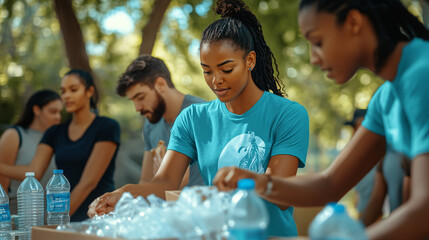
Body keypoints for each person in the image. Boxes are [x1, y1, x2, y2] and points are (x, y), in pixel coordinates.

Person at [88, 0, 309, 237]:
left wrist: (244, 179)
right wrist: (124, 192)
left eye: (226, 69)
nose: (216, 80)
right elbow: (164, 184)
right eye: (207, 71)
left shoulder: (288, 114)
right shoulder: (192, 118)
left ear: (250, 61)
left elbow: (282, 197)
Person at [213, 0, 429, 239]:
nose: (313, 58)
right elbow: (330, 185)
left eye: (317, 42)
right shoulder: (387, 98)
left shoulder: (422, 76)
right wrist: (259, 183)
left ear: (353, 22)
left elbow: (424, 211)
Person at [0, 69, 120, 221]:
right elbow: (33, 172)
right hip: (66, 217)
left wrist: (58, 222)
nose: (67, 96)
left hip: (99, 216)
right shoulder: (54, 132)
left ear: (90, 91)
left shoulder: (106, 127)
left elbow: (88, 182)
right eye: (63, 91)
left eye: (73, 90)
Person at [116, 55, 205, 188]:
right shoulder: (150, 125)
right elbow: (145, 181)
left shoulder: (201, 114)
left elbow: (178, 181)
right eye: (133, 101)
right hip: (166, 205)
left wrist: (160, 176)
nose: (137, 108)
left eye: (141, 97)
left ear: (161, 85)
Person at [0, 90, 62, 214]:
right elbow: (2, 187)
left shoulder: (59, 138)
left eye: (60, 112)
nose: (58, 117)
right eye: (53, 111)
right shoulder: (14, 135)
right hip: (19, 217)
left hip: (53, 217)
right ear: (36, 110)